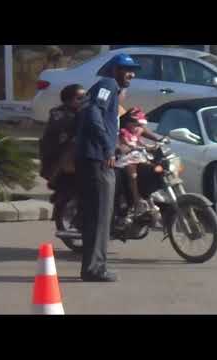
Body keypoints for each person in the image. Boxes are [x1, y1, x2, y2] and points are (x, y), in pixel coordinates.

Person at [75, 53, 141, 282]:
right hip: (97, 160)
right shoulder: (107, 84)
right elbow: (93, 113)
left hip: (92, 157)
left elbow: (97, 115)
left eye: (133, 70)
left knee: (98, 215)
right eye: (126, 69)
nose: (131, 74)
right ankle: (95, 269)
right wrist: (107, 148)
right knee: (101, 215)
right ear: (115, 70)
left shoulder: (105, 88)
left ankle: (93, 267)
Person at [39, 84, 85, 189]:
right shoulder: (58, 112)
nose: (83, 100)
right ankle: (55, 175)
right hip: (57, 147)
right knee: (73, 144)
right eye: (79, 98)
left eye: (85, 97)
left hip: (71, 147)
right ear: (68, 100)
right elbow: (66, 125)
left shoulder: (81, 111)